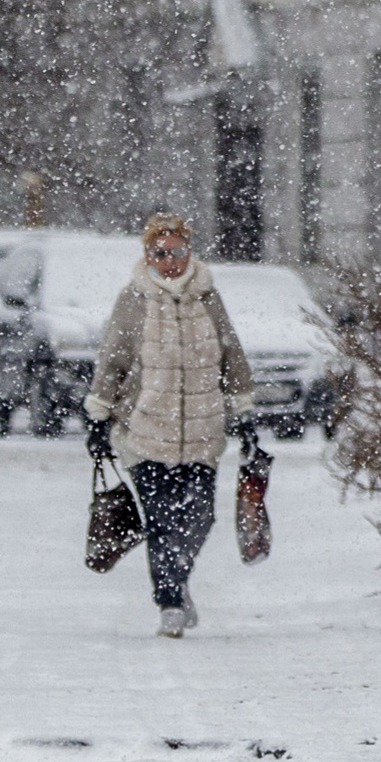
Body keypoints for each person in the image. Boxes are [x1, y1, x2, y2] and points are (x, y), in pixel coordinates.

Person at [83, 213, 259, 637]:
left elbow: (231, 356)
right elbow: (114, 360)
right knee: (162, 519)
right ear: (147, 255)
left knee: (199, 518)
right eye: (158, 253)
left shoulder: (207, 297)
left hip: (202, 432)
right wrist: (98, 414)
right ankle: (169, 602)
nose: (168, 261)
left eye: (176, 252)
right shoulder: (134, 299)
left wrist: (244, 410)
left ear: (189, 252)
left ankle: (177, 582)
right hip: (145, 432)